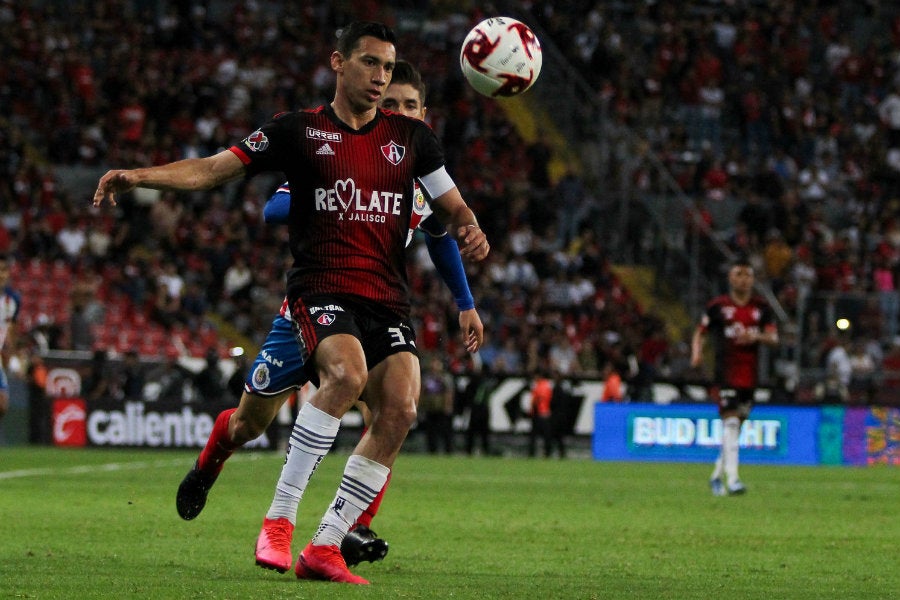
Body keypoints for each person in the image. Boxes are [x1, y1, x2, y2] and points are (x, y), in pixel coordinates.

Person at [94, 25, 490, 585]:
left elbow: (452, 210)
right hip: (318, 292)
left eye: (388, 67)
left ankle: (325, 546)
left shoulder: (414, 143)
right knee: (284, 406)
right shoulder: (299, 132)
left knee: (401, 408)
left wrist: (471, 228)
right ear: (338, 63)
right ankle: (269, 511)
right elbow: (213, 169)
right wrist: (140, 175)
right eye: (370, 65)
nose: (380, 78)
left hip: (385, 299)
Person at [691, 259, 778, 497]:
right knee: (730, 423)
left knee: (735, 429)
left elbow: (774, 338)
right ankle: (734, 479)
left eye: (747, 275)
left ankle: (716, 476)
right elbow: (700, 332)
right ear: (730, 278)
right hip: (725, 374)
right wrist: (697, 353)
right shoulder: (718, 306)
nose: (743, 279)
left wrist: (756, 337)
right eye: (738, 274)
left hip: (749, 377)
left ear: (753, 279)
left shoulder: (762, 308)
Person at [0, 254, 20, 422]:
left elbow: (9, 331)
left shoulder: (11, 301)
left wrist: (12, 354)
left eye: (4, 270)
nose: (1, 274)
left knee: (2, 405)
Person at [527, 368, 553, 457]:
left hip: (541, 413)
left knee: (538, 435)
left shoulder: (541, 386)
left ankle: (535, 453)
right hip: (543, 413)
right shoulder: (545, 385)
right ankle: (545, 453)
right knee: (544, 436)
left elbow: (537, 400)